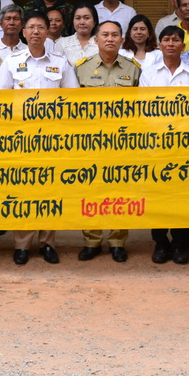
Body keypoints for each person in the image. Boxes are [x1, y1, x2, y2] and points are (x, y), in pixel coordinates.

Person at [0, 11, 78, 265]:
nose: (36, 31)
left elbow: (72, 101)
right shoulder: (11, 61)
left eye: (41, 27)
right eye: (31, 27)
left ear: (48, 31)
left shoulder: (61, 62)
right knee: (23, 191)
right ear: (24, 32)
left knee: (50, 190)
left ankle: (48, 242)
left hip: (52, 138)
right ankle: (21, 244)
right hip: (21, 138)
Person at [74, 21, 141, 263]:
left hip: (122, 142)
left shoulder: (134, 69)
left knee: (119, 190)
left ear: (122, 40)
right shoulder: (80, 69)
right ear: (96, 39)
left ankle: (117, 241)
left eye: (115, 35)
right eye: (105, 35)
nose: (110, 39)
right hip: (89, 141)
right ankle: (91, 240)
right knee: (90, 190)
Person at [139, 25, 189, 264]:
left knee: (182, 196)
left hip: (184, 144)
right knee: (157, 195)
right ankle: (160, 242)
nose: (170, 44)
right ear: (159, 45)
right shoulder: (149, 73)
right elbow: (144, 109)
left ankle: (179, 243)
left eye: (176, 40)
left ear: (183, 46)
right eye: (166, 40)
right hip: (155, 144)